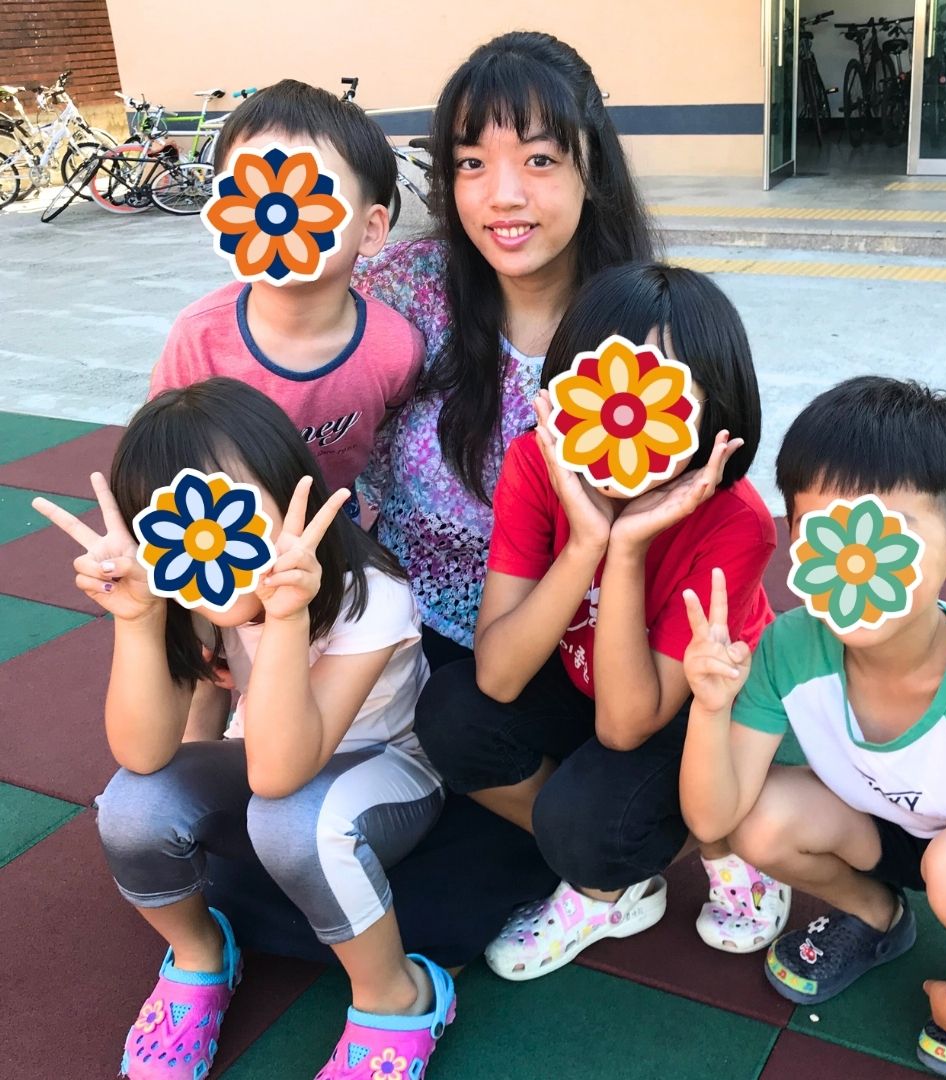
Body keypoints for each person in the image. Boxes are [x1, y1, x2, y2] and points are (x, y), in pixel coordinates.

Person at [32, 378, 455, 1080]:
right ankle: (201, 957)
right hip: (267, 753)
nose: (207, 537)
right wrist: (137, 621)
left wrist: (285, 620)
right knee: (132, 805)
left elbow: (281, 774)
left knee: (293, 820)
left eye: (229, 508)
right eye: (170, 521)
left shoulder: (369, 593)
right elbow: (143, 754)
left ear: (293, 489)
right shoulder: (186, 593)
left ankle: (399, 996)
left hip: (385, 768)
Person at [679, 376, 946, 1080]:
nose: (854, 563)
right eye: (823, 535)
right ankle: (876, 917)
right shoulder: (788, 648)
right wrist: (711, 707)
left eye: (887, 536)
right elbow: (715, 816)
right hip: (873, 825)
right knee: (760, 821)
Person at [414, 263, 787, 979]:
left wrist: (627, 547)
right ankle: (608, 866)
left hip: (697, 707)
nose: (631, 413)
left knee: (590, 823)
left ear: (713, 409)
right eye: (609, 386)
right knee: (453, 711)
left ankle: (690, 839)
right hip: (588, 682)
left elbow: (628, 725)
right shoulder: (536, 464)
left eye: (664, 393)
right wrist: (586, 539)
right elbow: (497, 675)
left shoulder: (735, 521)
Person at [352, 29, 653, 670]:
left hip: (561, 650)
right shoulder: (408, 286)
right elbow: (305, 367)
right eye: (472, 163)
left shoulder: (643, 329)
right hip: (389, 630)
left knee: (468, 732)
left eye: (539, 160)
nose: (503, 195)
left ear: (591, 167)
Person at [151, 80, 424, 526]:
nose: (277, 214)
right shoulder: (198, 339)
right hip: (226, 536)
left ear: (371, 229)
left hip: (338, 526)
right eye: (248, 193)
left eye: (309, 195)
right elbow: (162, 456)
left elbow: (390, 451)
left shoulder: (396, 350)